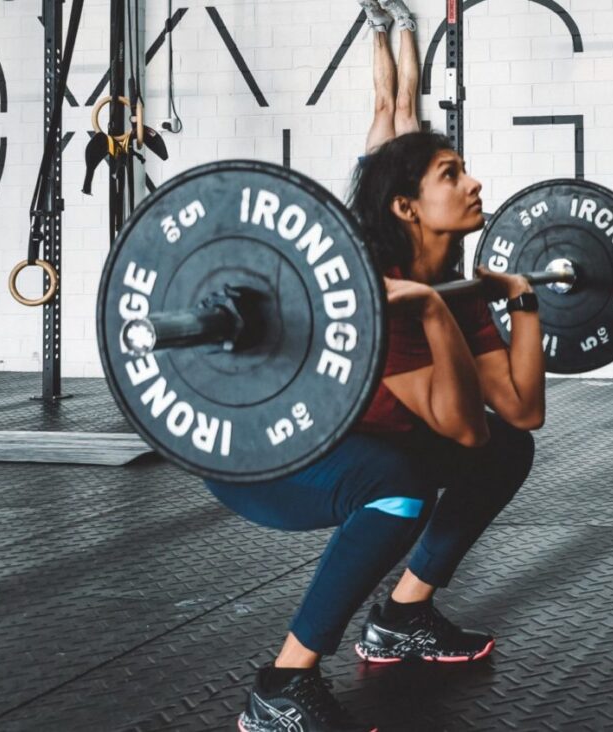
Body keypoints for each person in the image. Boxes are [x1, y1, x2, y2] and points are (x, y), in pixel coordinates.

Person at [207, 132, 547, 732]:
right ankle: (281, 687)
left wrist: (521, 300)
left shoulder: (450, 281)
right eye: (451, 174)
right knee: (399, 486)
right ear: (405, 205)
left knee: (508, 450)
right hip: (264, 460)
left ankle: (402, 619)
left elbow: (521, 413)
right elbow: (464, 430)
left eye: (466, 170)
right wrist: (431, 311)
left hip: (352, 440)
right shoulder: (366, 287)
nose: (475, 184)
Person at [358, 0, 420, 154]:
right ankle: (404, 20)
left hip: (379, 173)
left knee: (382, 107)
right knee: (404, 106)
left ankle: (379, 24)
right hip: (407, 171)